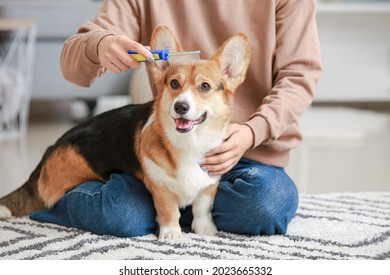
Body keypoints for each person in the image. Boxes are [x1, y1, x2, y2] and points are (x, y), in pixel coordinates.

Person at [30, 0, 322, 237]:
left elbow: (299, 77)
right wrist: (100, 44)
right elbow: (72, 64)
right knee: (119, 215)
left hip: (245, 153)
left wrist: (253, 131)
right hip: (163, 155)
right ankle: (160, 206)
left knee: (267, 205)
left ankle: (170, 210)